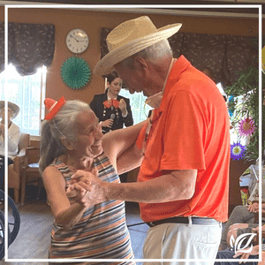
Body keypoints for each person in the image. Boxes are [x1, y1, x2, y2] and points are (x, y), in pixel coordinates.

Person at [72, 16, 231, 265]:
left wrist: (105, 191)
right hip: (184, 232)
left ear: (141, 64)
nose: (131, 90)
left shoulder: (184, 94)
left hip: (182, 233)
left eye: (126, 79)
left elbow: (181, 186)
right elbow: (138, 151)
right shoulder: (179, 91)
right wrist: (94, 180)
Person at [39, 96, 144, 264]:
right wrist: (82, 203)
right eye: (90, 131)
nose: (99, 133)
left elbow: (147, 127)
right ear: (68, 143)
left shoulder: (107, 148)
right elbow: (63, 220)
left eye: (98, 124)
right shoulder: (54, 172)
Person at [0, 101, 20, 190]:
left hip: (8, 156)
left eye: (8, 111)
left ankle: (1, 194)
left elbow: (13, 149)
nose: (5, 113)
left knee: (1, 163)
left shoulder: (16, 129)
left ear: (12, 114)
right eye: (3, 110)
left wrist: (5, 135)